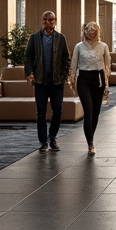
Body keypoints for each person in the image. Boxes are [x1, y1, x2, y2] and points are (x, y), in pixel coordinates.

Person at [23, 10, 71, 151]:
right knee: (41, 112)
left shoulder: (61, 38)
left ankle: (53, 137)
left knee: (58, 111)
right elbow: (28, 57)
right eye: (46, 19)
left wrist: (63, 76)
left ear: (55, 21)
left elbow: (66, 59)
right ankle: (43, 142)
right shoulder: (34, 38)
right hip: (40, 82)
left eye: (51, 19)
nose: (48, 22)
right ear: (42, 21)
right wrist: (29, 73)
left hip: (56, 82)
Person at [70, 21, 111, 155]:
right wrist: (72, 79)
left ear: (98, 31)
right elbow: (74, 64)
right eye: (89, 29)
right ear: (85, 31)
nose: (91, 32)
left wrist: (106, 83)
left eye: (94, 30)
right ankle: (90, 143)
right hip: (83, 80)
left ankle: (91, 136)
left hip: (98, 79)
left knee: (95, 112)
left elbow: (107, 66)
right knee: (88, 111)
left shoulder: (103, 46)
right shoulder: (79, 46)